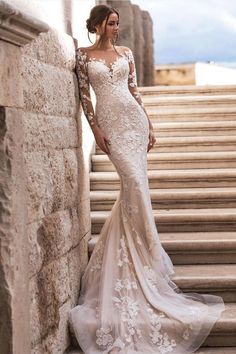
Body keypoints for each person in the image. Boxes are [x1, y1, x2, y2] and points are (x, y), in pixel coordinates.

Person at [69, 4, 225, 354]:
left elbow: (134, 91)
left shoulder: (125, 53)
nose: (116, 29)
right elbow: (85, 100)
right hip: (110, 126)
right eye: (111, 24)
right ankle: (144, 251)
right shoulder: (82, 56)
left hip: (134, 123)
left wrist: (149, 122)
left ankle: (143, 252)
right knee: (134, 187)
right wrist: (96, 131)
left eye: (117, 24)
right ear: (97, 25)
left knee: (135, 190)